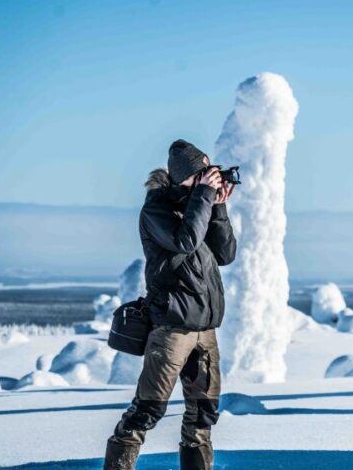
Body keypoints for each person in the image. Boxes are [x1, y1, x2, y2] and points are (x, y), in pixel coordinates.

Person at [103, 139, 237, 470]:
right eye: (202, 174)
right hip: (172, 328)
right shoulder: (157, 211)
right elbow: (185, 241)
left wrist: (217, 206)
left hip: (205, 329)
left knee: (203, 413)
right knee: (148, 409)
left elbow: (225, 254)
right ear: (183, 176)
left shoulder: (199, 206)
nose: (208, 178)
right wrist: (204, 198)